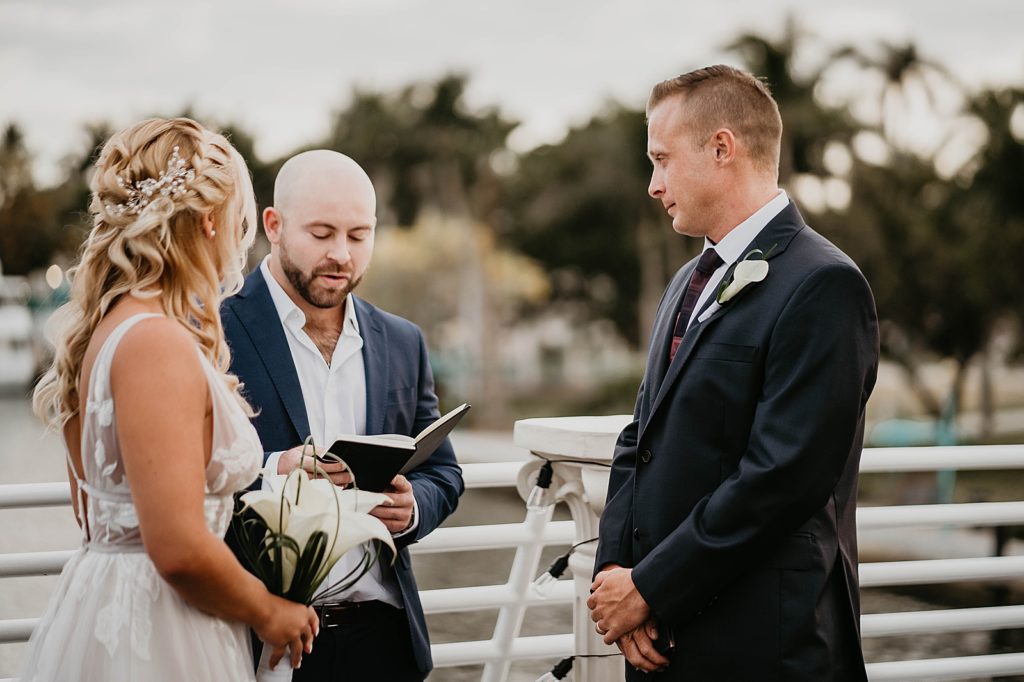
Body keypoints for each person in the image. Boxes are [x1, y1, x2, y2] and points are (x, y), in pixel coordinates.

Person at [587, 65, 879, 681]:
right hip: (661, 636)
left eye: (662, 159)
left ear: (722, 149)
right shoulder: (687, 281)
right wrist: (617, 581)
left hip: (761, 643)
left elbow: (781, 478)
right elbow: (640, 438)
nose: (652, 184)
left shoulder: (823, 284)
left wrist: (651, 588)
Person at [24, 118, 318, 681]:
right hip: (161, 625)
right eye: (238, 220)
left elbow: (97, 515)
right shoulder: (156, 341)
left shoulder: (104, 330)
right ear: (209, 220)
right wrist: (268, 611)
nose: (241, 239)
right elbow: (179, 548)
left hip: (107, 602)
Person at [222, 149, 464, 681]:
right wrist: (276, 468)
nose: (341, 254)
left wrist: (413, 507)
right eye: (322, 233)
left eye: (358, 235)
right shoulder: (215, 329)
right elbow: (183, 475)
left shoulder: (403, 341)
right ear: (274, 225)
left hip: (384, 639)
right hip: (262, 640)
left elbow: (443, 473)